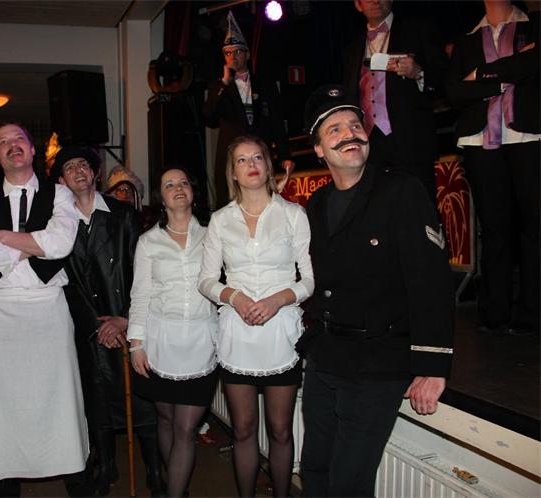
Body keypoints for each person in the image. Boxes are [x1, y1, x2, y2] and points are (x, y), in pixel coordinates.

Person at [298, 85, 454, 497]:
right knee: (314, 471)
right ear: (319, 149)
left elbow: (431, 281)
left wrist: (433, 365)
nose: (349, 134)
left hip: (377, 363)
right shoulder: (316, 204)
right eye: (334, 130)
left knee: (348, 484)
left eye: (355, 125)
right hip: (325, 358)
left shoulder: (401, 190)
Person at [0, 123, 88, 497]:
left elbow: (61, 244)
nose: (12, 145)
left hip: (48, 310)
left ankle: (73, 474)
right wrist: (33, 245)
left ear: (32, 150)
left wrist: (3, 238)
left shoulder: (60, 194)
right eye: (3, 142)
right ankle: (4, 479)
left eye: (19, 139)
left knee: (59, 397)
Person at [198, 135, 314, 498]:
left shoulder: (293, 214)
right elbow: (206, 281)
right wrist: (234, 296)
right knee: (244, 430)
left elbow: (310, 279)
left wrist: (278, 300)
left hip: (281, 335)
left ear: (267, 165)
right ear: (232, 172)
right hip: (238, 335)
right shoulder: (220, 220)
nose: (251, 165)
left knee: (280, 430)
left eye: (257, 158)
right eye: (242, 160)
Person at [51, 146, 162, 497]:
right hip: (89, 326)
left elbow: (141, 270)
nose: (78, 171)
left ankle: (155, 470)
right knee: (96, 398)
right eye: (70, 167)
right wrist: (96, 325)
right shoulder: (57, 223)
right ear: (61, 180)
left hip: (126, 318)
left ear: (96, 173)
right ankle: (105, 465)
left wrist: (125, 318)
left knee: (142, 399)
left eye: (84, 164)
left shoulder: (122, 213)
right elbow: (64, 281)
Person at [446, 0, 539, 336]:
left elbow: (534, 65)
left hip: (529, 134)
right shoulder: (468, 38)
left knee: (535, 226)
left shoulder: (534, 24)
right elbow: (454, 91)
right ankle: (494, 313)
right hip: (479, 138)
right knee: (494, 228)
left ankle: (532, 313)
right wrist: (503, 79)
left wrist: (481, 75)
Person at [128, 167, 218, 497]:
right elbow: (140, 295)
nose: (178, 187)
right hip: (159, 343)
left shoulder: (213, 236)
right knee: (165, 420)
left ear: (192, 192)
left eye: (183, 182)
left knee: (186, 428)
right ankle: (175, 484)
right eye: (169, 184)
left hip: (201, 343)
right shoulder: (148, 242)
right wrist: (136, 344)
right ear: (161, 198)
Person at [341, 0, 448, 203]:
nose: (375, 1)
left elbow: (445, 77)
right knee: (379, 208)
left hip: (411, 138)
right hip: (370, 142)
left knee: (420, 206)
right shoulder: (352, 48)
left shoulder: (417, 30)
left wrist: (419, 72)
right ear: (358, 5)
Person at [203, 11, 292, 209]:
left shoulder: (265, 84)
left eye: (237, 52)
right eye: (228, 53)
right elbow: (209, 118)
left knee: (265, 202)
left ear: (247, 54)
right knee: (229, 204)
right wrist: (224, 83)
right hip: (232, 158)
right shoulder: (219, 87)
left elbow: (277, 122)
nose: (233, 57)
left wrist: (285, 155)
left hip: (260, 155)